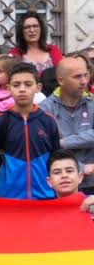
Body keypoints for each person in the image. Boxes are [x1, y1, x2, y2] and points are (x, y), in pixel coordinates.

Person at [0, 63, 61, 199]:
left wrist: (58, 195)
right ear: (9, 88)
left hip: (45, 198)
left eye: (28, 84)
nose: (22, 89)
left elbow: (57, 162)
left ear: (38, 88)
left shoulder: (48, 121)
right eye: (16, 85)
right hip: (9, 200)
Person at [40, 56, 94, 194]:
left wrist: (63, 142)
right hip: (61, 188)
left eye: (85, 75)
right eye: (77, 77)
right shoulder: (44, 109)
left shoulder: (92, 102)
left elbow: (56, 144)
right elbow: (46, 147)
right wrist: (80, 168)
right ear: (60, 80)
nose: (84, 81)